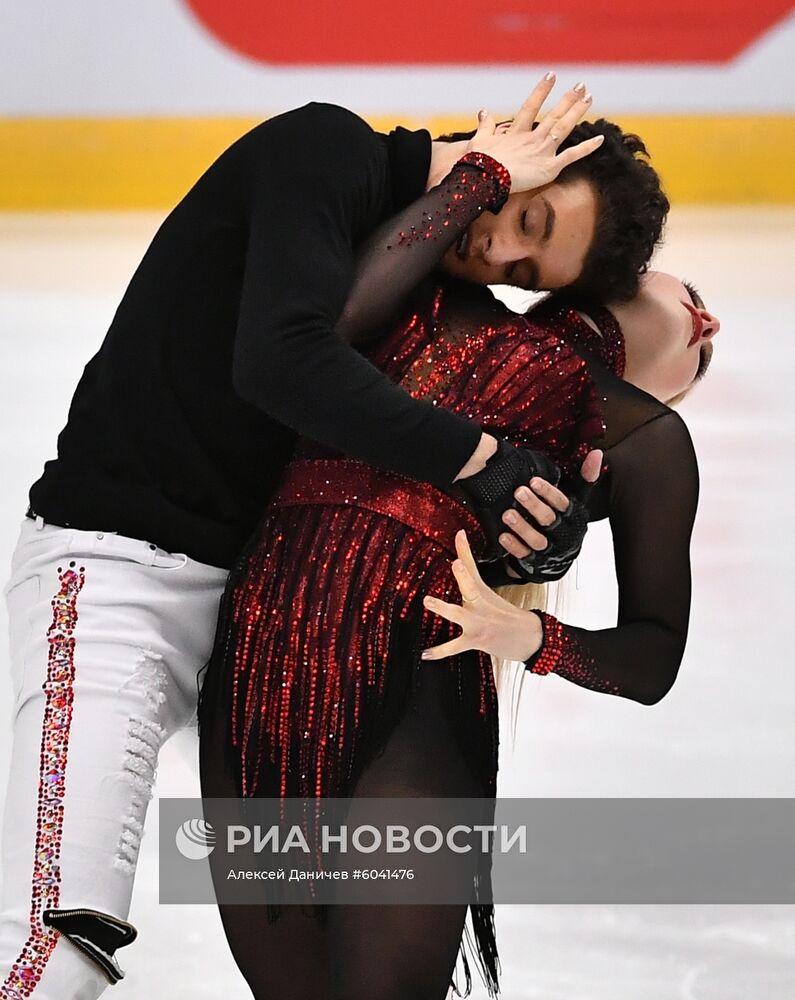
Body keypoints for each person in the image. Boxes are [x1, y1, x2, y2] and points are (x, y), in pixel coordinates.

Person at [0, 78, 670, 997]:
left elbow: (655, 330)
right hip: (122, 575)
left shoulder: (416, 284)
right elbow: (282, 360)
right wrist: (481, 458)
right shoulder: (325, 151)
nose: (498, 247)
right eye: (530, 214)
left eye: (525, 271)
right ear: (524, 142)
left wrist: (548, 517)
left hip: (260, 617)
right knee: (63, 929)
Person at [196, 171, 717, 996]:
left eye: (703, 338)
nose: (701, 320)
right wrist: (479, 172)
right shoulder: (428, 301)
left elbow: (651, 660)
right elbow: (299, 343)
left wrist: (535, 636)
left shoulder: (635, 437)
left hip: (409, 690)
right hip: (264, 666)